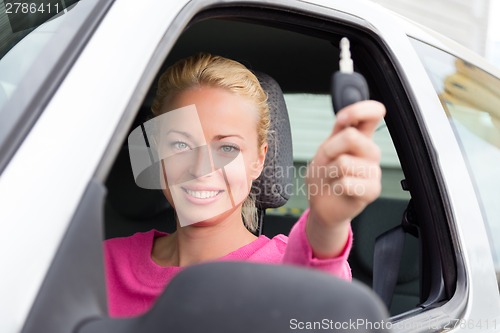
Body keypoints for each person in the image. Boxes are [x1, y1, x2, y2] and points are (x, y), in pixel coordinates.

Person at [104, 53, 385, 318]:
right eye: (180, 144)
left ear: (258, 161)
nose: (201, 167)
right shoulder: (100, 262)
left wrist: (327, 225)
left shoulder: (284, 269)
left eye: (227, 148)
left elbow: (319, 299)